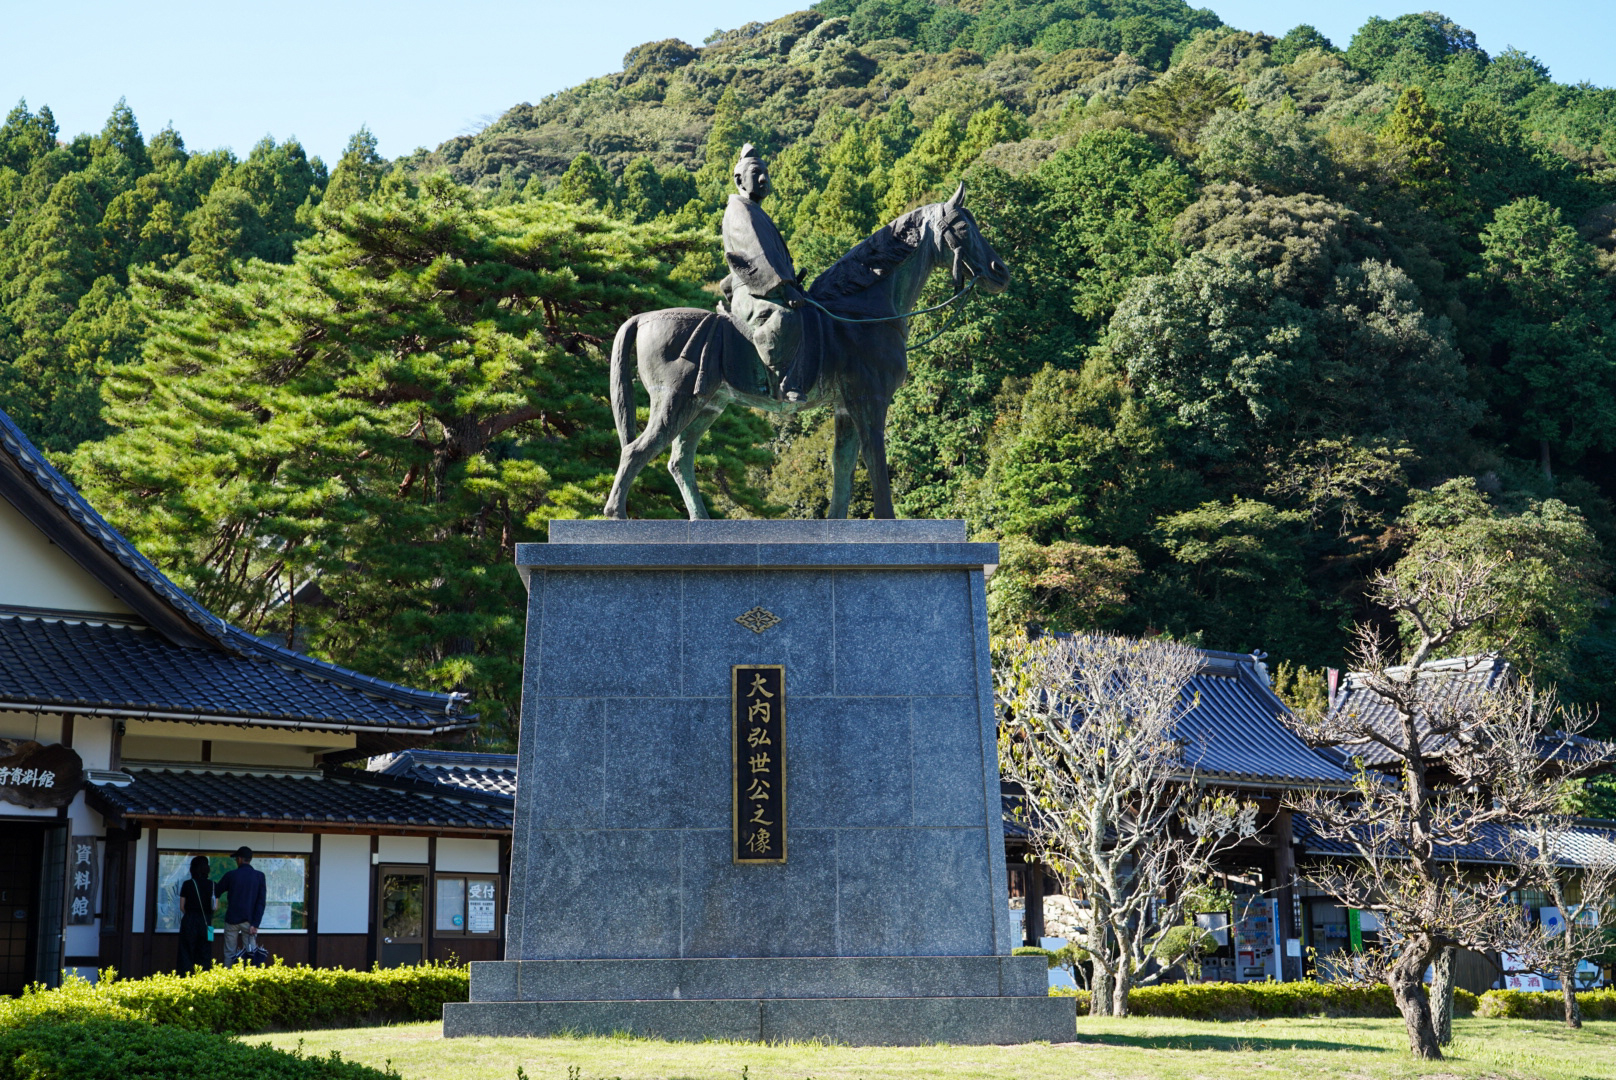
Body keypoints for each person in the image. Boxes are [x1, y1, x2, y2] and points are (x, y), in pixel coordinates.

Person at [721, 143, 815, 402]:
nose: (763, 178)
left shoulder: (755, 212)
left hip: (767, 289)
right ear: (739, 180)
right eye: (755, 173)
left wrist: (793, 284)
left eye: (765, 173)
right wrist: (784, 288)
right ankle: (783, 381)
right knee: (786, 317)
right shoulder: (738, 210)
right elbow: (755, 256)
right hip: (752, 291)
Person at [215, 845, 266, 962]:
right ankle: (249, 974)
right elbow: (261, 902)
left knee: (229, 952)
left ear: (239, 859)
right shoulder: (259, 876)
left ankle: (227, 973)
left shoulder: (231, 875)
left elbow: (216, 891)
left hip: (231, 920)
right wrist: (255, 923)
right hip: (250, 922)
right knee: (251, 953)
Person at [175, 855, 214, 974]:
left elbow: (182, 906)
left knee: (186, 951)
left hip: (190, 920)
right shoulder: (213, 885)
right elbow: (215, 907)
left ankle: (185, 977)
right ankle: (204, 977)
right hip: (207, 923)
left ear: (192, 868)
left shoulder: (187, 884)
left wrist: (191, 914)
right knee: (206, 951)